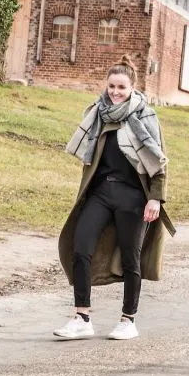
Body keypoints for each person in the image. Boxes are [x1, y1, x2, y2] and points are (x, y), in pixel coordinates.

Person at [54, 59, 175, 341]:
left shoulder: (145, 116)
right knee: (80, 248)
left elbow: (159, 161)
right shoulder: (98, 113)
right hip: (100, 193)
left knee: (131, 258)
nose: (115, 92)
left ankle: (128, 319)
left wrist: (156, 198)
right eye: (111, 86)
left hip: (133, 196)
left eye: (121, 87)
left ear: (132, 87)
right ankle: (82, 316)